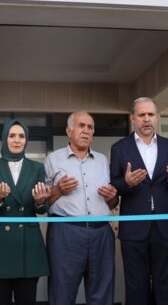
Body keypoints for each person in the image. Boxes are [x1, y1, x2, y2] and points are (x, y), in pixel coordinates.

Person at [108, 97, 168, 304]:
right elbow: (114, 186)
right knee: (135, 285)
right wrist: (127, 183)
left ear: (157, 117)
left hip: (165, 226)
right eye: (141, 115)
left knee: (165, 283)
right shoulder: (119, 148)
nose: (146, 119)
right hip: (133, 227)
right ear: (133, 118)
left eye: (150, 114)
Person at [44, 111, 118, 305]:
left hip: (102, 233)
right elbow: (42, 203)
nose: (86, 131)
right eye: (81, 126)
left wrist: (113, 198)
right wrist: (58, 190)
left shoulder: (103, 160)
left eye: (90, 127)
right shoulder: (52, 160)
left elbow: (112, 203)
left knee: (102, 295)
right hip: (66, 234)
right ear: (69, 131)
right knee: (62, 294)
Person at [0, 119, 50, 305]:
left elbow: (41, 209)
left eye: (21, 136)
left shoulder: (37, 167)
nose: (17, 140)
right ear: (4, 138)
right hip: (0, 245)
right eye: (12, 135)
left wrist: (41, 202)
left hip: (28, 244)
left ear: (26, 140)